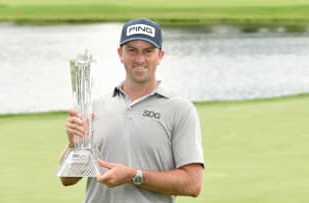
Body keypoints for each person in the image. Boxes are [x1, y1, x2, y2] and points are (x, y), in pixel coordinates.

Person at [59, 17, 205, 203]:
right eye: (132, 50)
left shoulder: (180, 109)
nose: (140, 59)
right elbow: (67, 180)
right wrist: (74, 146)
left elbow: (193, 184)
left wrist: (134, 176)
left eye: (148, 51)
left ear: (160, 55)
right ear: (120, 54)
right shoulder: (95, 107)